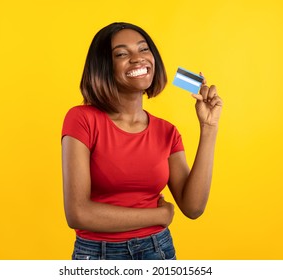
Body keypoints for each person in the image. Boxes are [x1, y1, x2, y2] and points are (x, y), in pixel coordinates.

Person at [61, 22, 223, 260]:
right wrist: (158, 216)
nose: (138, 59)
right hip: (99, 255)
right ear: (104, 67)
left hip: (158, 251)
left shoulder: (166, 131)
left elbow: (192, 207)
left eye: (144, 49)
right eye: (122, 54)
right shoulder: (82, 119)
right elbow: (78, 213)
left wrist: (209, 127)